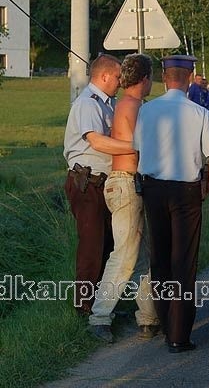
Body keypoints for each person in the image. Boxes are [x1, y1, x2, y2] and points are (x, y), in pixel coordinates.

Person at [133, 54, 209, 353]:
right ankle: (179, 335)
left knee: (160, 260)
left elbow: (137, 150)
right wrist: (207, 185)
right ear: (190, 78)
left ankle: (164, 323)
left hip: (153, 189)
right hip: (186, 191)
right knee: (184, 262)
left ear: (164, 77)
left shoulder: (147, 111)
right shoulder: (199, 112)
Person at [88, 53, 160, 343]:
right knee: (125, 255)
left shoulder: (128, 104)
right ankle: (99, 316)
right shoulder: (133, 106)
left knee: (140, 256)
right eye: (151, 76)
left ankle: (148, 317)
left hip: (128, 184)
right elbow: (136, 146)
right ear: (145, 79)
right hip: (127, 184)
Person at [63, 54, 134, 316]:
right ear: (104, 76)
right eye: (117, 77)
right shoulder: (88, 104)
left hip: (103, 184)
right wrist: (136, 148)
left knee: (107, 245)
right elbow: (98, 142)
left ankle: (103, 306)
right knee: (91, 247)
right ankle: (84, 307)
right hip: (87, 183)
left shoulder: (108, 103)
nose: (120, 82)